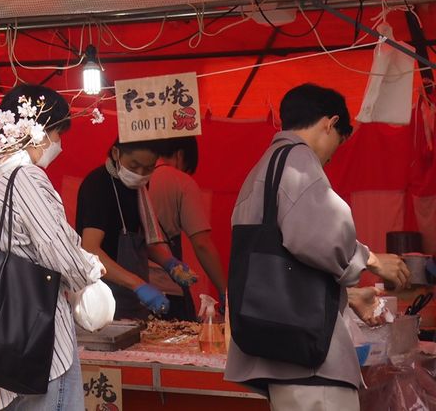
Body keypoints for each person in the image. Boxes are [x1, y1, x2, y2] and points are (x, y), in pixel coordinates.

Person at [225, 84, 410, 411]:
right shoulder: (298, 160)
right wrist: (371, 260)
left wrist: (348, 296)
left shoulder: (262, 169)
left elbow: (288, 261)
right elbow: (322, 239)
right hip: (310, 365)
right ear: (330, 123)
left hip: (282, 359)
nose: (332, 154)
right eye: (339, 140)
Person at [0, 85, 105, 411]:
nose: (59, 145)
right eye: (57, 134)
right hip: (40, 350)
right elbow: (64, 258)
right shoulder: (25, 177)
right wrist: (92, 268)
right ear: (37, 130)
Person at [76, 139, 197, 320]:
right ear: (116, 153)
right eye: (134, 166)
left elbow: (140, 240)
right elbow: (90, 249)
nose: (140, 174)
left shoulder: (138, 187)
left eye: (148, 168)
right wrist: (137, 284)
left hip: (130, 302)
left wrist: (170, 264)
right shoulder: (98, 184)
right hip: (100, 300)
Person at [148, 136, 227, 320]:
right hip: (167, 291)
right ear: (180, 155)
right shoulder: (181, 181)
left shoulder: (137, 178)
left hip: (132, 287)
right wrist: (224, 292)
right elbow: (202, 244)